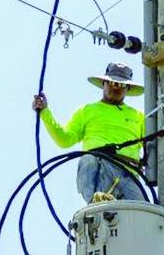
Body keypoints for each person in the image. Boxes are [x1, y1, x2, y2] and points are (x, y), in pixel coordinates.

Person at [32, 62, 147, 203]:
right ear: (104, 83)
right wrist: (45, 112)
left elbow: (153, 146)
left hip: (129, 173)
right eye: (111, 83)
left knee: (141, 214)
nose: (115, 87)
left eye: (121, 85)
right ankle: (95, 203)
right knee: (88, 162)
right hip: (99, 166)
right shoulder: (87, 111)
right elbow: (64, 140)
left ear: (128, 88)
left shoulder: (138, 117)